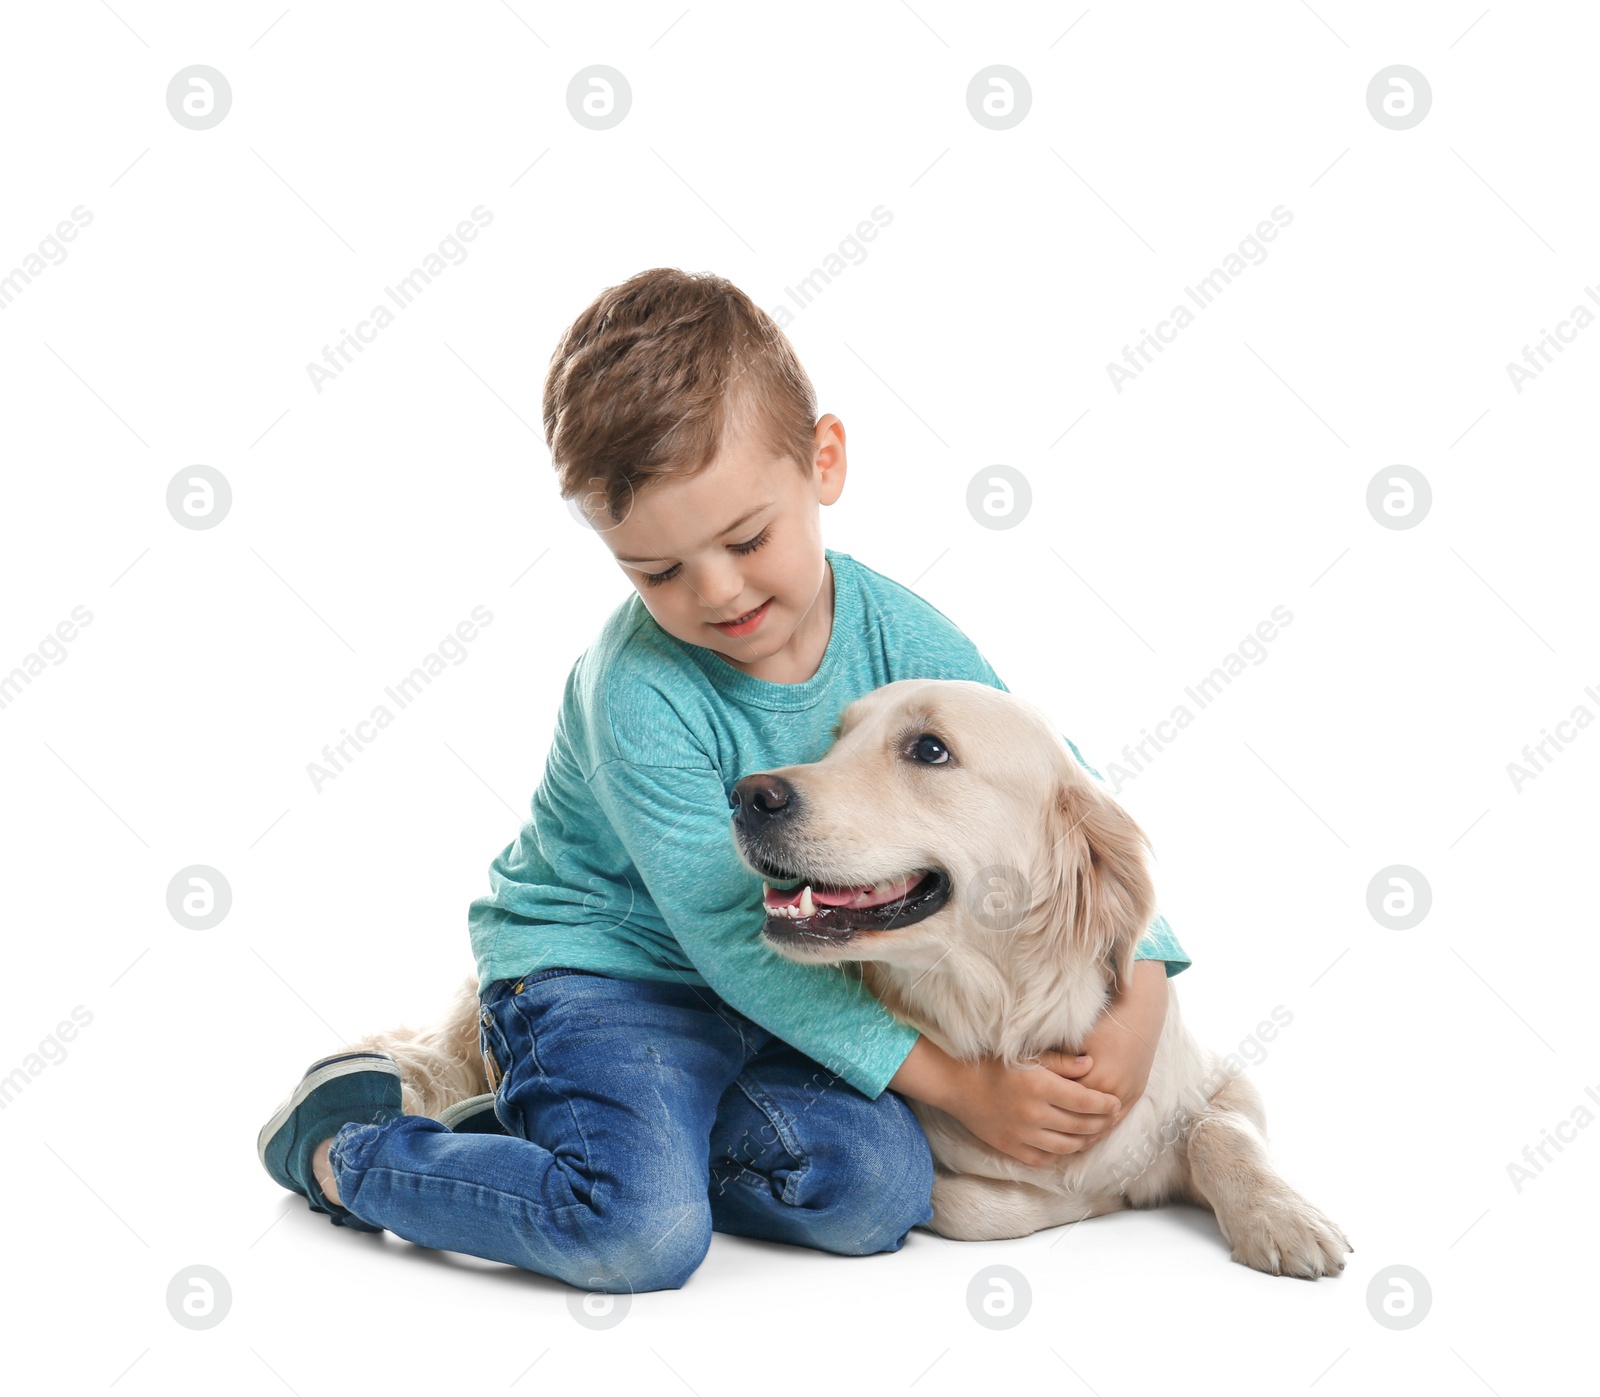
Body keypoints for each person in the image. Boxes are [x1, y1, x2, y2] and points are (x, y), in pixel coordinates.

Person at [258, 268, 1189, 1292]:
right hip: (606, 977)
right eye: (657, 572)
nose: (718, 591)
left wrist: (1138, 1002)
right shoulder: (636, 692)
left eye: (747, 538)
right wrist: (962, 1087)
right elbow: (738, 940)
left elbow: (1061, 797)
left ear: (823, 462)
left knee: (876, 1190)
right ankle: (344, 1148)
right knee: (638, 1233)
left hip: (800, 989)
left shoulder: (898, 631)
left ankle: (548, 1121)